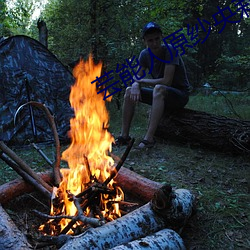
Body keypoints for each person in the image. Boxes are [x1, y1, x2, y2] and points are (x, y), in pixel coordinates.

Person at [115, 21, 191, 148]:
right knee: (129, 91)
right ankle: (124, 136)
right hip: (161, 95)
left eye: (157, 39)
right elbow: (137, 77)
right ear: (145, 41)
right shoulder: (145, 54)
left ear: (161, 37)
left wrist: (140, 81)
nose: (154, 43)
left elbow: (167, 81)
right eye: (150, 40)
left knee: (159, 88)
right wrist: (135, 85)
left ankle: (149, 139)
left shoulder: (170, 50)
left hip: (179, 95)